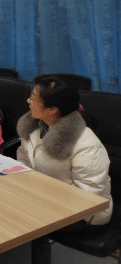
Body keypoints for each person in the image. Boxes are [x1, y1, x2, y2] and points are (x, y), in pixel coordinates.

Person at [16, 77, 112, 264]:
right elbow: (23, 157)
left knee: (25, 221)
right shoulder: (35, 127)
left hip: (85, 214)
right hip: (44, 198)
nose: (28, 100)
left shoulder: (86, 143)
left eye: (33, 97)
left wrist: (40, 198)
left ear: (52, 110)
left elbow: (89, 198)